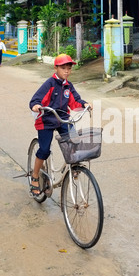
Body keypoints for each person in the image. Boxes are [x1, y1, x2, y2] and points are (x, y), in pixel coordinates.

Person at [28, 54, 91, 197]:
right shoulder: (49, 84)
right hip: (47, 119)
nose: (67, 71)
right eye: (63, 68)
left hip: (62, 119)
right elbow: (36, 99)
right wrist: (36, 106)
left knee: (75, 141)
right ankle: (35, 176)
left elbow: (76, 100)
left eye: (69, 68)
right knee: (44, 150)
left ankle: (74, 168)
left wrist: (85, 104)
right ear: (56, 68)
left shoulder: (68, 85)